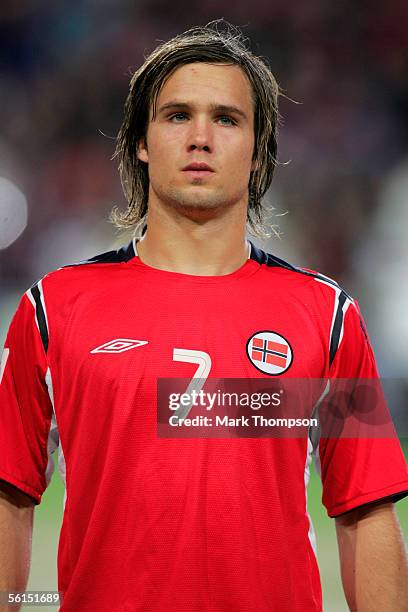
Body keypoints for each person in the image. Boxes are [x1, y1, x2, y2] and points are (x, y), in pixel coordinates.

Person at [1, 21, 407, 612]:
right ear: (141, 141)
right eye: (175, 115)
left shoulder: (329, 315)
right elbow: (10, 494)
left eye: (226, 118)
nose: (200, 137)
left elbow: (367, 508)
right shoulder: (54, 307)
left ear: (258, 148)